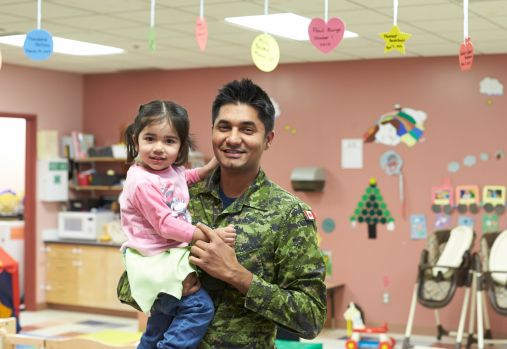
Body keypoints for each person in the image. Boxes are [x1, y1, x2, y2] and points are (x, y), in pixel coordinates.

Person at [187, 79, 327, 348]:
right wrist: (163, 286)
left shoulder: (289, 214)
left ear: (268, 139)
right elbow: (127, 285)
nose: (233, 138)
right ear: (212, 131)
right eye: (224, 127)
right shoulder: (180, 199)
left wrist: (238, 276)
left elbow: (311, 319)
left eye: (247, 129)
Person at [119, 100, 235, 349]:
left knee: (161, 321)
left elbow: (184, 177)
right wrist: (208, 235)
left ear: (181, 144)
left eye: (169, 141)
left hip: (165, 254)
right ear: (135, 138)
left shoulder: (168, 171)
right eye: (150, 138)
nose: (159, 149)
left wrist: (209, 167)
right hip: (154, 257)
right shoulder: (141, 182)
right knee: (199, 308)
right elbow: (165, 224)